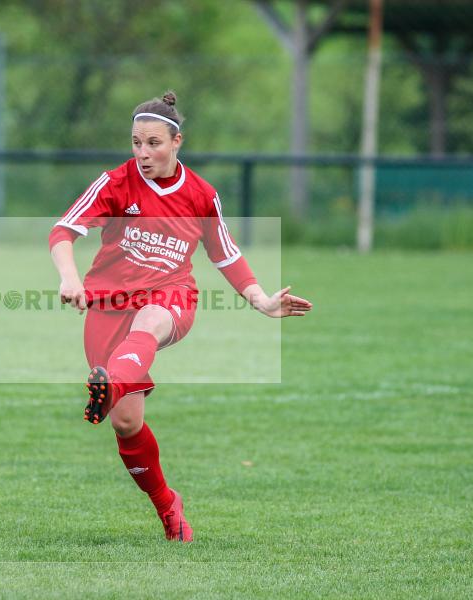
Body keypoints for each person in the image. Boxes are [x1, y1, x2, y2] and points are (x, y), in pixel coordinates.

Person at [49, 91, 312, 543]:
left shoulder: (201, 195)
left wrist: (262, 300)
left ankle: (111, 382)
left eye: (153, 143)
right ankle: (168, 505)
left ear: (176, 142)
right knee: (127, 424)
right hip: (108, 306)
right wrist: (70, 278)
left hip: (172, 296)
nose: (143, 153)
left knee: (150, 319)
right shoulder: (115, 183)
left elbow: (225, 254)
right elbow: (62, 231)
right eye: (136, 143)